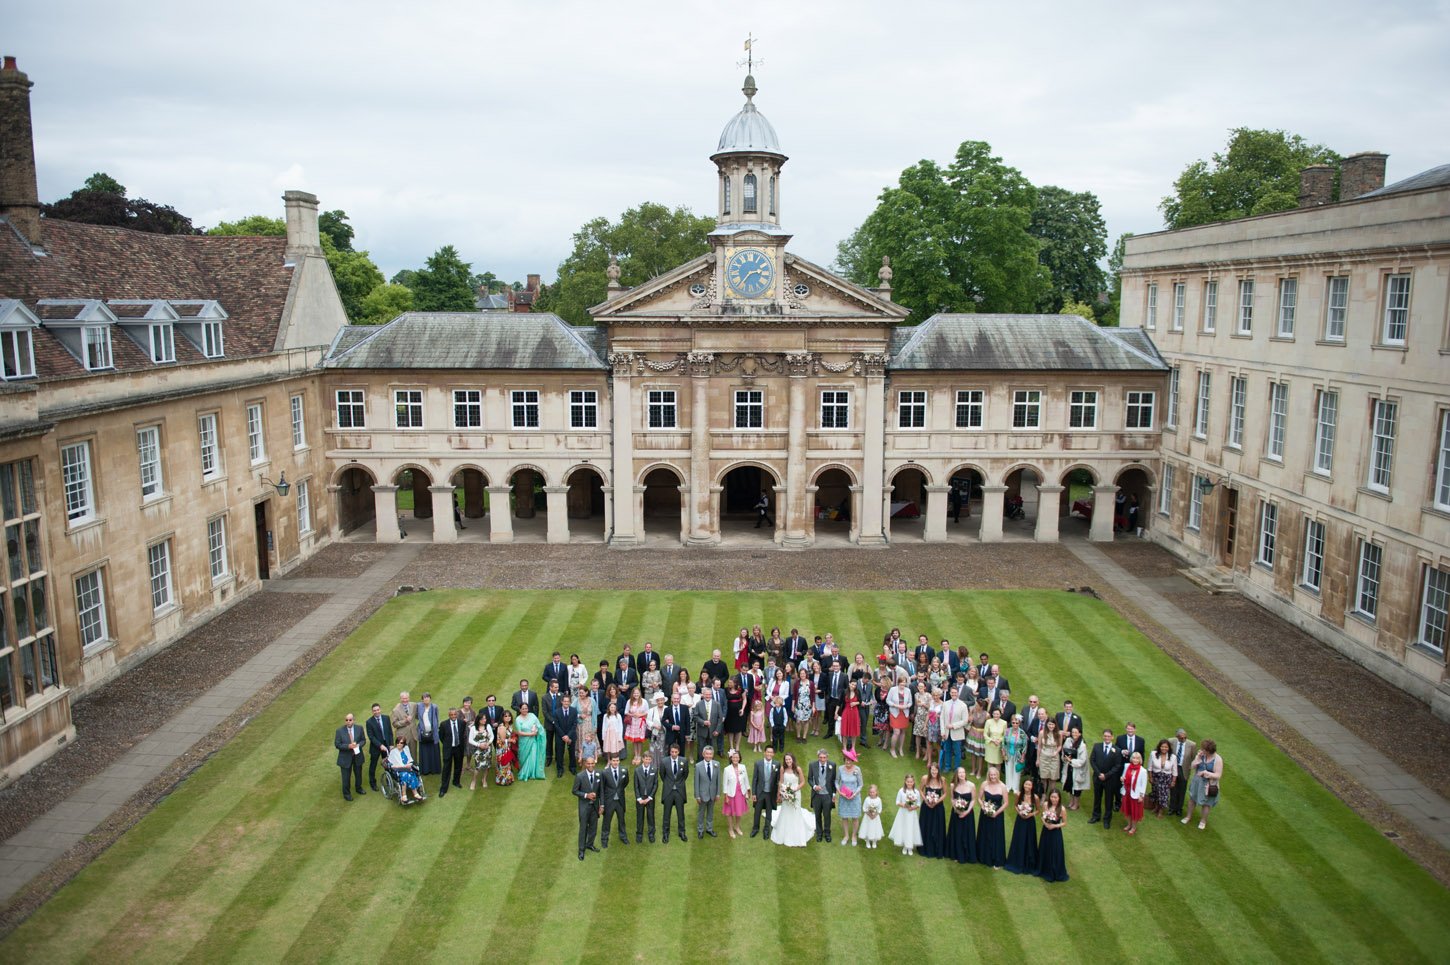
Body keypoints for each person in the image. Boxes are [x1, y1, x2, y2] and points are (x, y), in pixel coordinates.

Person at [771, 753, 814, 847]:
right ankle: (784, 832)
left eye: (789, 759)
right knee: (785, 811)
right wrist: (780, 793)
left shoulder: (798, 769)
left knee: (795, 811)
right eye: (786, 760)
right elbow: (781, 782)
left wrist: (795, 789)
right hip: (785, 792)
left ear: (793, 760)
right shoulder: (783, 768)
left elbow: (803, 782)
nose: (788, 761)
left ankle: (797, 833)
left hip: (796, 793)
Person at [1182, 739, 1223, 831]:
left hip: (1209, 784)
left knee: (1207, 803)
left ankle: (1203, 821)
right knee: (1192, 799)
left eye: (1204, 749)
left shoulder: (1218, 759)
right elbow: (1191, 766)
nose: (1202, 750)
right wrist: (1197, 759)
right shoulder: (1201, 755)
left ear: (1208, 751)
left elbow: (1218, 775)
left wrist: (1206, 773)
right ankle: (1188, 817)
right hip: (1197, 782)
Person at [1089, 728, 1124, 829]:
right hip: (1097, 778)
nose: (1107, 738)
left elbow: (1117, 766)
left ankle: (1107, 820)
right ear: (1103, 736)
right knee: (1097, 798)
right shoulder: (1097, 746)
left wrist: (1106, 775)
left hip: (1110, 779)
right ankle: (1096, 816)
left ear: (1112, 737)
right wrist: (1099, 773)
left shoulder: (1117, 750)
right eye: (1105, 736)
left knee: (1109, 800)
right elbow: (1092, 760)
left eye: (1109, 736)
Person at [1004, 776, 1039, 874]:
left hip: (1030, 822)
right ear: (1023, 785)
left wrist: (1030, 815)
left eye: (1029, 784)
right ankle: (1016, 860)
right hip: (1020, 821)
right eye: (1025, 784)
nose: (1027, 786)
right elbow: (1015, 805)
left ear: (1032, 786)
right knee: (1019, 839)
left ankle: (1029, 862)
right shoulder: (1019, 794)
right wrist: (1020, 812)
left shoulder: (1035, 797)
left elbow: (1038, 810)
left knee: (1029, 840)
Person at [975, 766, 1009, 868]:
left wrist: (996, 813)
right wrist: (984, 807)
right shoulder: (984, 784)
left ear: (997, 775)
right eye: (991, 775)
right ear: (988, 775)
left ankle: (996, 859)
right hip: (985, 814)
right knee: (984, 833)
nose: (993, 776)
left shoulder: (1002, 786)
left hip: (997, 815)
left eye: (994, 775)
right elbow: (979, 798)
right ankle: (982, 857)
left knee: (996, 836)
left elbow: (1006, 803)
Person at [1036, 790, 1070, 882]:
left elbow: (1064, 823)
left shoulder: (1062, 809)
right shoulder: (1046, 805)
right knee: (1045, 848)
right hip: (1046, 831)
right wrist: (1045, 824)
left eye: (1055, 797)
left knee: (1054, 851)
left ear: (1059, 798)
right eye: (1052, 797)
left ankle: (1054, 870)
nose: (1053, 799)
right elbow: (1042, 816)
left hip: (1055, 833)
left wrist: (1054, 826)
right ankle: (1043, 868)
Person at [946, 767, 977, 864]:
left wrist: (966, 811)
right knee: (957, 833)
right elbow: (952, 798)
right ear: (957, 774)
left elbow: (973, 800)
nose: (962, 774)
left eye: (963, 772)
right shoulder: (952, 785)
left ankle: (967, 854)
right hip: (956, 813)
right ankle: (955, 854)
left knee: (967, 833)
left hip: (968, 814)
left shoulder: (971, 785)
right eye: (960, 773)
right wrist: (956, 809)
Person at [598, 753, 630, 847]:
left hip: (620, 801)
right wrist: (602, 804)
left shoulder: (624, 771)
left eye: (617, 761)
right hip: (609, 801)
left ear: (619, 761)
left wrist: (618, 791)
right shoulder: (604, 773)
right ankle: (604, 840)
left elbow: (625, 783)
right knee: (606, 822)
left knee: (621, 820)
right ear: (610, 761)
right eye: (614, 761)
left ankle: (623, 837)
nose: (615, 762)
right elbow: (602, 789)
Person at [573, 756, 602, 860]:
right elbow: (574, 791)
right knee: (583, 828)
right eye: (588, 764)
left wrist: (601, 805)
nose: (590, 765)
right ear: (585, 764)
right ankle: (581, 850)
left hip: (595, 806)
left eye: (592, 763)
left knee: (593, 827)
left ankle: (590, 844)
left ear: (594, 764)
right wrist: (586, 795)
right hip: (584, 806)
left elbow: (601, 792)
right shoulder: (580, 776)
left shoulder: (599, 775)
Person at [661, 743, 689, 844]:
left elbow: (685, 775)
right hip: (668, 791)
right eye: (672, 752)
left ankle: (682, 832)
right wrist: (669, 784)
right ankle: (665, 833)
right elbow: (662, 775)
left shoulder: (684, 761)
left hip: (679, 791)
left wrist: (678, 784)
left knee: (680, 813)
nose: (674, 754)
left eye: (675, 752)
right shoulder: (664, 761)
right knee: (666, 814)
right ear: (670, 752)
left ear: (679, 752)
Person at [334, 713, 366, 802]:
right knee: (346, 777)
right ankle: (346, 794)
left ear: (354, 720)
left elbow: (363, 740)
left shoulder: (359, 728)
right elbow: (337, 744)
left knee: (358, 774)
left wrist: (358, 745)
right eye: (346, 720)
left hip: (357, 756)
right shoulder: (339, 731)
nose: (348, 722)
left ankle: (358, 788)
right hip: (345, 758)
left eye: (350, 720)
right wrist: (349, 746)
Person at [751, 745, 781, 839]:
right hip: (760, 792)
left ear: (773, 754)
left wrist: (778, 794)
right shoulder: (758, 763)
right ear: (764, 752)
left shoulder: (777, 764)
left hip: (770, 793)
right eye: (767, 752)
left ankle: (766, 830)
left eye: (771, 752)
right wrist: (754, 793)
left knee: (769, 812)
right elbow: (755, 779)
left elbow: (778, 780)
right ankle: (755, 829)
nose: (769, 754)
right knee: (757, 811)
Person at [919, 762, 947, 859]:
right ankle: (925, 848)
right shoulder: (925, 778)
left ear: (938, 770)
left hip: (938, 808)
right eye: (932, 770)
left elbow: (945, 793)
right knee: (926, 826)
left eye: (936, 770)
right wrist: (926, 800)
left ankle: (937, 849)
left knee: (937, 827)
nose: (934, 772)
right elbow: (920, 790)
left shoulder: (942, 780)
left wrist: (936, 802)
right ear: (930, 770)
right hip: (926, 807)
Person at [721, 748, 751, 839]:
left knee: (739, 811)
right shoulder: (727, 769)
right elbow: (725, 784)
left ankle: (737, 827)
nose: (735, 759)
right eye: (734, 757)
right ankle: (730, 829)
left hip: (740, 792)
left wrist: (748, 790)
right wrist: (726, 796)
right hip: (731, 794)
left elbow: (746, 779)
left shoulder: (743, 767)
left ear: (739, 758)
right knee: (729, 812)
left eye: (737, 757)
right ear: (731, 758)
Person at [889, 774, 923, 856]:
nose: (909, 783)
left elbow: (918, 803)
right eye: (908, 782)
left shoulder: (916, 792)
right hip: (903, 813)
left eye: (911, 782)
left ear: (913, 782)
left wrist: (913, 808)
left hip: (912, 814)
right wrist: (905, 805)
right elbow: (897, 802)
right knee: (904, 827)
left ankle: (910, 847)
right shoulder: (901, 791)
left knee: (911, 828)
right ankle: (905, 846)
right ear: (905, 782)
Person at [808, 749, 838, 843]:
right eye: (820, 757)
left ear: (827, 757)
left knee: (827, 815)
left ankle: (827, 834)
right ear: (818, 757)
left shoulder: (832, 765)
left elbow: (834, 781)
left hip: (827, 795)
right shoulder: (812, 765)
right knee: (817, 815)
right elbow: (809, 778)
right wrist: (814, 786)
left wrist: (833, 794)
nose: (822, 759)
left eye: (824, 757)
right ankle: (819, 834)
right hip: (816, 795)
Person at [836, 750, 864, 846]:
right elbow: (836, 781)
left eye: (850, 760)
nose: (848, 762)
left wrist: (855, 794)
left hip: (854, 797)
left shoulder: (857, 770)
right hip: (844, 797)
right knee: (844, 817)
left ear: (853, 760)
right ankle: (846, 835)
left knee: (855, 817)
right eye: (846, 760)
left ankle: (854, 836)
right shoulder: (840, 769)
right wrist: (839, 792)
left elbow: (861, 784)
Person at [438, 707, 468, 796]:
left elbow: (462, 734)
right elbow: (441, 737)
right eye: (451, 715)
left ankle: (456, 781)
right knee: (446, 768)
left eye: (455, 714)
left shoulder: (462, 723)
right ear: (449, 715)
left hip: (459, 748)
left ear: (457, 714)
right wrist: (448, 744)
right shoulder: (443, 724)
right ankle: (443, 788)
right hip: (448, 748)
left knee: (458, 766)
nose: (453, 716)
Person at [365, 703, 394, 792]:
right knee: (373, 765)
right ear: (372, 711)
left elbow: (389, 732)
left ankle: (389, 781)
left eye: (378, 710)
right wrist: (380, 745)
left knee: (388, 764)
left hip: (387, 745)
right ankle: (373, 783)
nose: (376, 712)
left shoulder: (386, 718)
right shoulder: (369, 722)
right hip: (376, 747)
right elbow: (371, 737)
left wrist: (391, 744)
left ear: (380, 709)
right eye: (374, 710)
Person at [1167, 728, 1196, 817]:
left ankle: (1179, 808)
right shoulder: (1171, 741)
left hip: (1184, 769)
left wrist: (1189, 767)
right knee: (1173, 788)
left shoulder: (1192, 744)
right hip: (1174, 768)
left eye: (1185, 737)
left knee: (1182, 789)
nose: (1183, 739)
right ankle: (1172, 807)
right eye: (1181, 738)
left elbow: (1193, 757)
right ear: (1177, 737)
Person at [387, 736, 425, 804]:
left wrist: (409, 765)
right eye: (397, 742)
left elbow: (410, 760)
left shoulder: (406, 749)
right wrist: (402, 766)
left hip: (408, 768)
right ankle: (405, 795)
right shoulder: (393, 752)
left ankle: (415, 794)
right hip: (398, 770)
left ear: (404, 744)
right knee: (406, 775)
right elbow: (391, 765)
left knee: (412, 774)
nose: (399, 744)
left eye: (401, 743)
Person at [694, 745, 721, 838]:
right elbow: (696, 782)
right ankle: (700, 830)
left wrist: (718, 793)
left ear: (713, 755)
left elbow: (718, 780)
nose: (708, 756)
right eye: (707, 754)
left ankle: (709, 829)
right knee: (701, 812)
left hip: (713, 794)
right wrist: (697, 796)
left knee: (710, 812)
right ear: (703, 754)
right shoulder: (698, 766)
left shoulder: (717, 764)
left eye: (710, 754)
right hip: (702, 794)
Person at [515, 703, 546, 781]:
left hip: (533, 741)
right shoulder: (518, 719)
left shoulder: (532, 715)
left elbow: (539, 726)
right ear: (520, 710)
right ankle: (524, 772)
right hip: (524, 741)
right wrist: (531, 734)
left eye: (526, 708)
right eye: (523, 708)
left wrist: (536, 730)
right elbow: (519, 732)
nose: (525, 710)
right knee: (523, 757)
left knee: (532, 756)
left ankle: (532, 773)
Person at [1120, 751, 1148, 835]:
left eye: (1137, 758)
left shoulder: (1143, 771)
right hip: (1126, 792)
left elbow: (1144, 784)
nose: (1135, 760)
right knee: (1127, 810)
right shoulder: (1127, 766)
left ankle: (1134, 827)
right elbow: (1123, 776)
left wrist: (1141, 795)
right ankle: (1129, 824)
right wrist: (1122, 779)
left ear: (1140, 760)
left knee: (1134, 811)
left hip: (1136, 794)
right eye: (1134, 758)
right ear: (1131, 758)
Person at [692, 687, 723, 760]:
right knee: (701, 747)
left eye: (709, 694)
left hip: (713, 731)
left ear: (711, 695)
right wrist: (703, 722)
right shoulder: (699, 704)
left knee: (711, 748)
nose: (708, 696)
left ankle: (710, 763)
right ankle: (700, 763)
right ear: (703, 695)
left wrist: (717, 730)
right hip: (702, 730)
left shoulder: (717, 704)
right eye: (706, 694)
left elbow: (720, 718)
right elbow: (695, 716)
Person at [1148, 739, 1178, 818]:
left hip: (1166, 778)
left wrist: (1173, 781)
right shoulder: (1153, 754)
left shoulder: (1173, 757)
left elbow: (1175, 771)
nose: (1164, 748)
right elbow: (1150, 767)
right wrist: (1150, 777)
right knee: (1156, 793)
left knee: (1163, 795)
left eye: (1166, 747)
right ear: (1159, 747)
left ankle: (1160, 811)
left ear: (1169, 748)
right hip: (1156, 776)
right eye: (1162, 747)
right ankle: (1156, 807)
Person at [634, 751, 658, 843]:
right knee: (639, 817)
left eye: (649, 759)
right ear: (643, 759)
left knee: (650, 816)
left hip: (650, 798)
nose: (647, 761)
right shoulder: (637, 770)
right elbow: (635, 786)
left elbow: (656, 785)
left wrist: (650, 797)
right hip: (640, 798)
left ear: (651, 760)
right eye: (646, 759)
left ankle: (651, 834)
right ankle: (639, 834)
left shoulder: (654, 769)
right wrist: (639, 798)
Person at [1063, 725, 1089, 810]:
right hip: (1069, 767)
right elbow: (1064, 751)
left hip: (1078, 769)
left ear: (1080, 733)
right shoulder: (1068, 740)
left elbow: (1082, 760)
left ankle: (1076, 803)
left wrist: (1071, 761)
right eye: (1073, 732)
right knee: (1069, 784)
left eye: (1076, 732)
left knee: (1077, 787)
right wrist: (1065, 758)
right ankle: (1071, 802)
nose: (1074, 734)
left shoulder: (1082, 745)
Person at [552, 694, 578, 777]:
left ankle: (572, 767)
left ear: (570, 702)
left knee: (572, 752)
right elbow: (556, 725)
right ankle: (560, 769)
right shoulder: (556, 712)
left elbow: (574, 724)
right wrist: (564, 736)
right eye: (565, 701)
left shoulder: (574, 711)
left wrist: (568, 736)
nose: (566, 703)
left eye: (568, 701)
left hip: (571, 735)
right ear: (562, 702)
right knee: (560, 753)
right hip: (560, 736)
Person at [887, 673, 912, 758]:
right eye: (901, 683)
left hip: (904, 713)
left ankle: (900, 748)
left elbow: (910, 702)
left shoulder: (908, 691)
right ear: (898, 683)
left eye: (904, 683)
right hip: (895, 713)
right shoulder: (893, 690)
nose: (903, 685)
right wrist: (895, 705)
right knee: (896, 732)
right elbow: (888, 700)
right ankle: (892, 749)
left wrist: (907, 706)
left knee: (903, 732)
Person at [415, 693, 441, 776]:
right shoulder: (419, 706)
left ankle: (435, 769)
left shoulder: (434, 707)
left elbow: (437, 719)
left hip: (433, 733)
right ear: (422, 699)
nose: (426, 699)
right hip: (423, 732)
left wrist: (435, 730)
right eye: (424, 698)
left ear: (430, 699)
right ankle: (425, 770)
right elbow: (416, 715)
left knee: (434, 751)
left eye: (427, 697)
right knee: (425, 751)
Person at [1036, 719, 1062, 801]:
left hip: (1054, 758)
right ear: (1047, 724)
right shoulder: (1042, 733)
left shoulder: (1058, 733)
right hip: (1044, 757)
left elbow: (1060, 746)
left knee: (1053, 778)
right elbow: (1039, 746)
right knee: (1043, 777)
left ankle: (1052, 796)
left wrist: (1056, 752)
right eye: (1049, 724)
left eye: (1053, 725)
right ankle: (1043, 795)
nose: (1051, 726)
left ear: (1055, 725)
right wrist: (1038, 759)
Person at [1003, 714, 1027, 795]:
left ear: (1019, 723)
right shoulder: (1007, 731)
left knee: (1017, 771)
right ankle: (1008, 786)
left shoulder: (1022, 733)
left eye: (1017, 723)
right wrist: (1004, 753)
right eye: (1013, 722)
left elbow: (1025, 746)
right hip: (1008, 754)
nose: (1015, 724)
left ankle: (1015, 787)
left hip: (1018, 755)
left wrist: (1023, 757)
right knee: (1008, 769)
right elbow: (1004, 743)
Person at [624, 689, 649, 765]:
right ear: (632, 694)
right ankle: (636, 755)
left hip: (640, 722)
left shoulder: (644, 701)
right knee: (634, 740)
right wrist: (632, 715)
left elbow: (647, 712)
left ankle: (639, 755)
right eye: (634, 693)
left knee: (639, 740)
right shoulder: (629, 701)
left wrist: (640, 715)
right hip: (632, 722)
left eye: (637, 693)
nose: (636, 695)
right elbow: (626, 711)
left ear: (640, 693)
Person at [468, 715, 493, 790]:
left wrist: (488, 743)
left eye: (485, 718)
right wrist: (479, 745)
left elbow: (492, 736)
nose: (485, 720)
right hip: (478, 750)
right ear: (478, 720)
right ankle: (474, 781)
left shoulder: (488, 726)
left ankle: (484, 779)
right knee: (478, 766)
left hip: (487, 749)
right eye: (483, 719)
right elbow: (470, 740)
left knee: (487, 765)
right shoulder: (473, 728)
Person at [391, 691, 418, 759]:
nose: (405, 700)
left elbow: (418, 715)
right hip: (402, 736)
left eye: (406, 698)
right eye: (403, 698)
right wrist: (404, 721)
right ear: (400, 699)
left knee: (413, 755)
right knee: (403, 755)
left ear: (409, 698)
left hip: (413, 735)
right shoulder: (396, 710)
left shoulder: (414, 705)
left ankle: (414, 768)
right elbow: (394, 724)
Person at [723, 678, 747, 755]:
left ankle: (737, 746)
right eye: (729, 682)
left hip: (739, 712)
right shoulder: (726, 690)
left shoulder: (740, 690)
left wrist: (743, 709)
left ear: (735, 683)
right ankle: (731, 746)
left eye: (730, 682)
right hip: (729, 712)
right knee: (730, 729)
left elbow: (744, 699)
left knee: (738, 729)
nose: (729, 684)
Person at [495, 711, 517, 786]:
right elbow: (503, 740)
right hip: (502, 748)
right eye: (505, 716)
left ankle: (508, 778)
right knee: (503, 763)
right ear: (502, 718)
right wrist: (512, 740)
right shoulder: (502, 727)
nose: (508, 717)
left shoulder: (509, 725)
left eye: (509, 716)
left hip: (507, 747)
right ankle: (502, 780)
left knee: (507, 763)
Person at [838, 685, 861, 755]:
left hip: (855, 713)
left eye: (855, 685)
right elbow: (839, 702)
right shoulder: (844, 692)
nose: (853, 686)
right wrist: (836, 712)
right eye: (852, 684)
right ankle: (844, 747)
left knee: (854, 730)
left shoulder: (857, 692)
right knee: (844, 730)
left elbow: (860, 701)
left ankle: (853, 747)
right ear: (849, 684)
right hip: (846, 712)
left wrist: (855, 703)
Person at [793, 667, 815, 742]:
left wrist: (813, 707)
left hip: (807, 705)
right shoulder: (797, 683)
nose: (802, 675)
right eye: (801, 673)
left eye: (804, 673)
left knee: (806, 721)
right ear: (799, 675)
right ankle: (798, 736)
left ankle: (804, 737)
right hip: (798, 705)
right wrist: (793, 706)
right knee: (798, 721)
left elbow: (813, 696)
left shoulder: (811, 683)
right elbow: (794, 696)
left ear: (806, 674)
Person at [860, 784, 885, 849]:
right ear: (869, 792)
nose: (872, 793)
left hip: (875, 817)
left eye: (873, 792)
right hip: (868, 817)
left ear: (876, 792)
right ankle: (867, 841)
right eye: (870, 792)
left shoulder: (879, 799)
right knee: (867, 828)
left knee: (875, 828)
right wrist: (869, 814)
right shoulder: (867, 799)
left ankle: (874, 841)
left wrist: (875, 815)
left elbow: (880, 809)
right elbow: (864, 808)